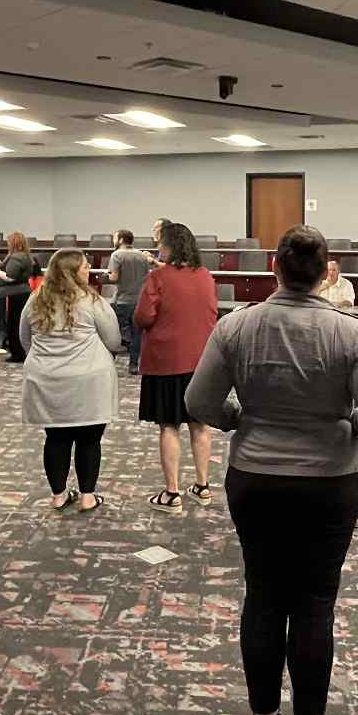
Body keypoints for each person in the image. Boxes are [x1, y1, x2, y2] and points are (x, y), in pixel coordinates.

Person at [187, 225, 358, 715]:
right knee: (313, 606)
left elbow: (198, 400)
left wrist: (238, 419)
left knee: (263, 598)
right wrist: (352, 425)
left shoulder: (236, 326)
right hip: (327, 485)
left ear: (274, 267)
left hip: (254, 479)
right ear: (326, 271)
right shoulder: (350, 334)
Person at [19, 249, 123, 513]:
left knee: (56, 438)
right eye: (85, 267)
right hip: (89, 380)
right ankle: (88, 497)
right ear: (71, 272)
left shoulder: (35, 299)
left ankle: (58, 495)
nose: (89, 270)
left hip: (47, 381)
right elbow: (113, 341)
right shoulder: (93, 301)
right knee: (89, 439)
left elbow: (24, 339)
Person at [134, 221, 220, 516]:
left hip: (166, 362)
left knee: (169, 426)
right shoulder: (205, 275)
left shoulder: (158, 277)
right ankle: (203, 486)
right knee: (200, 425)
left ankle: (172, 494)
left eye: (161, 244)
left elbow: (143, 317)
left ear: (168, 247)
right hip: (201, 363)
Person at [103, 228, 150, 374]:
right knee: (137, 335)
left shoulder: (117, 255)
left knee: (113, 332)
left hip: (122, 301)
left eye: (115, 238)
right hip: (139, 301)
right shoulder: (142, 256)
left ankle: (109, 362)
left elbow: (114, 277)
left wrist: (105, 276)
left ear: (121, 239)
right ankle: (133, 365)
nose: (113, 241)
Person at [0, 231, 38, 363]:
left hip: (16, 294)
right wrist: (0, 265)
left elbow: (10, 277)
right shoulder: (26, 256)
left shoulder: (16, 257)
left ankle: (17, 353)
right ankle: (20, 352)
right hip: (23, 292)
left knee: (14, 324)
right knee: (20, 322)